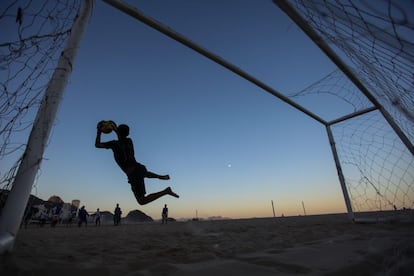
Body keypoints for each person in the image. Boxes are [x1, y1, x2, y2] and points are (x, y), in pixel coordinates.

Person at [95, 122, 179, 205]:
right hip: (139, 167)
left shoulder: (114, 144)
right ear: (128, 133)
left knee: (142, 201)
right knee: (144, 173)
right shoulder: (129, 141)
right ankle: (160, 176)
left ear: (118, 132)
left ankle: (166, 191)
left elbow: (97, 144)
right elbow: (121, 138)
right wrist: (115, 129)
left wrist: (99, 131)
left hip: (133, 173)